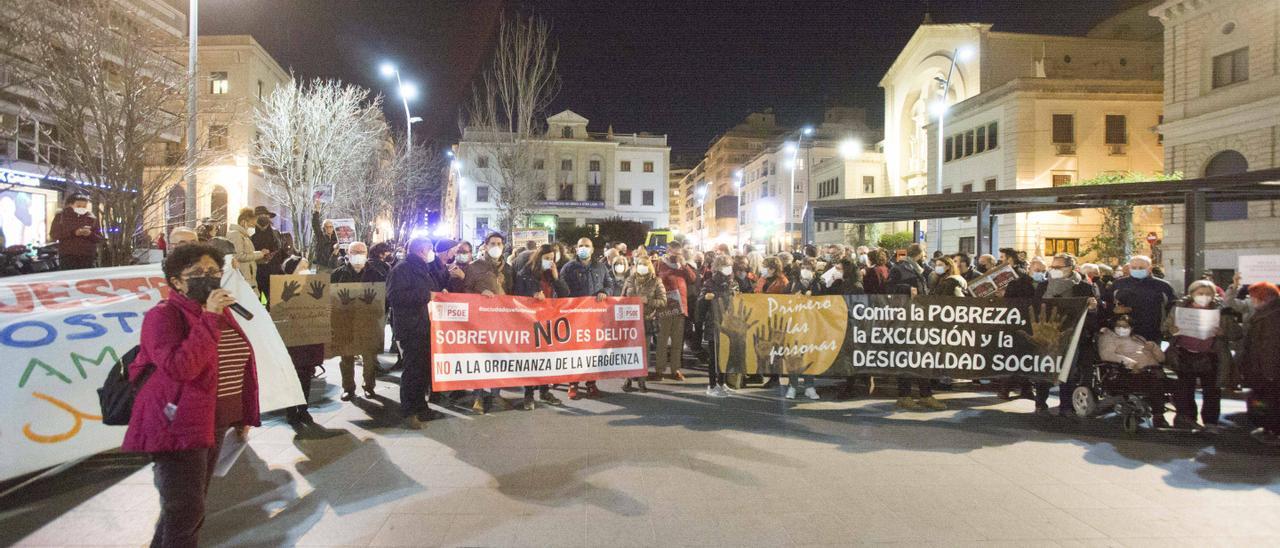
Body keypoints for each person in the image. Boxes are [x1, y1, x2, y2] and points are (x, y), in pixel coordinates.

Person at [123, 244, 259, 547]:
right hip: (176, 424)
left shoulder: (217, 312)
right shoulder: (164, 316)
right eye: (197, 273)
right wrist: (209, 317)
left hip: (213, 421)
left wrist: (240, 415)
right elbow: (180, 367)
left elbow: (233, 363)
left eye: (214, 271)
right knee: (186, 511)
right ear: (175, 281)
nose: (208, 277)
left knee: (184, 510)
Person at [1164, 279, 1242, 431]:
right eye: (1200, 293)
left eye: (1208, 294)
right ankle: (1187, 419)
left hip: (1211, 356)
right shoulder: (1179, 307)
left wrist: (1223, 332)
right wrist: (1171, 330)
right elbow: (1165, 327)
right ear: (1192, 294)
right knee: (1185, 391)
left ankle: (1210, 422)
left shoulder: (1222, 310)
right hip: (1184, 354)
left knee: (1211, 391)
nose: (1204, 296)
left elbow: (1237, 333)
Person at [387, 236, 444, 429]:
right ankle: (409, 411)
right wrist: (427, 296)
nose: (431, 253)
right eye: (429, 249)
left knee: (422, 370)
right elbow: (395, 297)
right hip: (411, 328)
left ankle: (421, 406)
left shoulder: (422, 268)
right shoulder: (402, 269)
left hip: (425, 326)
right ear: (421, 250)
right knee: (413, 371)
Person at [512, 244, 568, 409]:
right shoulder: (525, 274)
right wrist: (532, 296)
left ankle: (545, 391)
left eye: (552, 259)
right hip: (531, 322)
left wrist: (557, 278)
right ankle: (528, 395)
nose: (549, 262)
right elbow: (517, 297)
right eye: (546, 258)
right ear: (539, 257)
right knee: (531, 360)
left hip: (549, 321)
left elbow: (565, 293)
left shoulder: (552, 274)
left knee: (546, 359)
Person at [463, 232, 514, 412]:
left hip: (501, 321)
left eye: (499, 243)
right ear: (485, 246)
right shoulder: (474, 267)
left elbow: (513, 294)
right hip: (480, 320)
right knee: (480, 357)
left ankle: (495, 394)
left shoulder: (508, 268)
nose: (496, 246)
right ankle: (478, 397)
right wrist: (479, 296)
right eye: (492, 243)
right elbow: (465, 290)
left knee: (497, 358)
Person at [330, 241, 386, 401]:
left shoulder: (376, 274)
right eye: (354, 252)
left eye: (361, 252)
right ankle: (348, 388)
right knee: (346, 357)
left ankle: (369, 386)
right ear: (348, 254)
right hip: (345, 322)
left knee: (369, 357)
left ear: (367, 254)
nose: (358, 255)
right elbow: (331, 298)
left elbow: (383, 298)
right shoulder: (337, 274)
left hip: (368, 322)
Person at [562, 236, 615, 399]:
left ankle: (591, 383)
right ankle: (573, 384)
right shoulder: (569, 268)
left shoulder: (600, 267)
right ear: (576, 249)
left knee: (593, 351)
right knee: (575, 351)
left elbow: (609, 284)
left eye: (587, 246)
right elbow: (560, 289)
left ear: (592, 249)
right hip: (575, 318)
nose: (583, 248)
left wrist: (604, 292)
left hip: (595, 318)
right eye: (581, 246)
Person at [1098, 315, 1170, 428]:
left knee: (1180, 386)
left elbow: (1161, 359)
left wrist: (1154, 347)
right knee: (1155, 382)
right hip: (1129, 373)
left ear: (1131, 328)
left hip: (1153, 370)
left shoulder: (1139, 338)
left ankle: (1184, 417)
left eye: (1125, 326)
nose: (1122, 329)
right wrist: (1129, 362)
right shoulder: (1109, 338)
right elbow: (1106, 354)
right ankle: (1158, 416)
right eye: (1119, 326)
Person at [280, 254, 324, 430]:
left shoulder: (313, 286)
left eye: (307, 266)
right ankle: (291, 411)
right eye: (302, 266)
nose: (306, 269)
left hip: (308, 338)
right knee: (292, 374)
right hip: (290, 339)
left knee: (306, 374)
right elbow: (276, 312)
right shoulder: (281, 286)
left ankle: (304, 408)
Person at [1239, 283, 1280, 444]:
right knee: (1267, 400)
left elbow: (1269, 346)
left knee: (1272, 401)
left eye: (1253, 297)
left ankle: (1273, 431)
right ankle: (1270, 429)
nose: (1251, 300)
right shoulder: (1266, 313)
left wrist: (1268, 372)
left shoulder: (1271, 316)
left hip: (1269, 370)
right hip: (1264, 368)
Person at [1103, 255, 1176, 343]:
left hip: (1152, 333)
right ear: (1129, 268)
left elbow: (1173, 308)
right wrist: (1114, 310)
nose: (1137, 270)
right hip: (1123, 332)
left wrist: (1168, 327)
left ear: (1150, 268)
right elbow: (1106, 304)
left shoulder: (1163, 286)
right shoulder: (1118, 284)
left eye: (1141, 267)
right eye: (1134, 267)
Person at [622, 254, 666, 393]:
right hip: (630, 321)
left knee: (644, 353)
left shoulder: (656, 281)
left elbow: (663, 301)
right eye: (639, 264)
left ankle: (642, 381)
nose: (642, 267)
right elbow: (621, 298)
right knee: (629, 351)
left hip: (646, 320)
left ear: (650, 267)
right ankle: (628, 380)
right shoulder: (629, 280)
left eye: (645, 265)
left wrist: (648, 301)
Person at [49, 194, 104, 270]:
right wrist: (73, 233)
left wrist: (90, 234)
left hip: (87, 256)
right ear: (70, 205)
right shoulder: (61, 217)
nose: (82, 208)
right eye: (78, 206)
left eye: (84, 206)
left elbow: (99, 238)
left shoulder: (91, 218)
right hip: (68, 255)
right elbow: (54, 234)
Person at [227, 208, 265, 292]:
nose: (254, 225)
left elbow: (247, 254)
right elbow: (239, 256)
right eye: (252, 222)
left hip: (248, 277)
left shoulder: (242, 235)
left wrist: (260, 254)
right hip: (244, 277)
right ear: (244, 221)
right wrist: (260, 254)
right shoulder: (236, 234)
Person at [251, 209, 281, 296]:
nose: (264, 217)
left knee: (273, 298)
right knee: (256, 298)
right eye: (260, 215)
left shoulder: (275, 233)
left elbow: (279, 249)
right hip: (257, 270)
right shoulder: (251, 233)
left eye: (265, 215)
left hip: (273, 270)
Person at [311, 200, 339, 271]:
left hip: (333, 266)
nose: (329, 228)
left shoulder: (337, 238)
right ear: (324, 228)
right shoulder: (320, 236)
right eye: (327, 227)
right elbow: (315, 224)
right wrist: (316, 211)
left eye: (331, 226)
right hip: (321, 266)